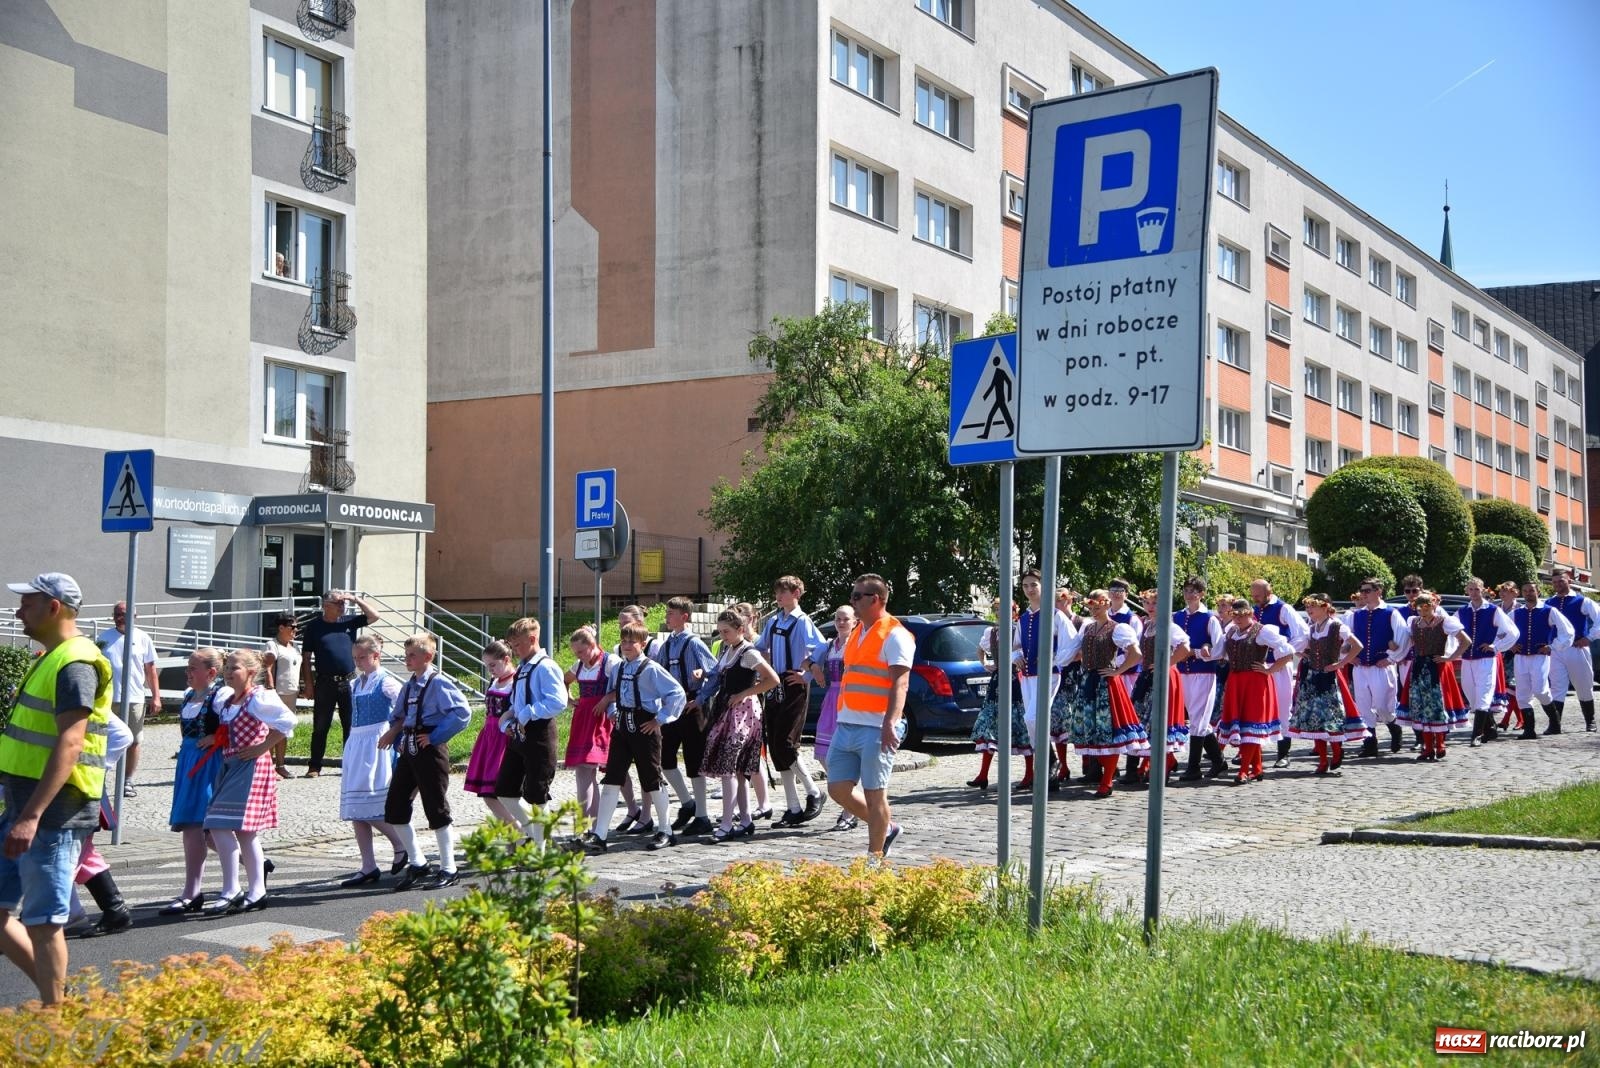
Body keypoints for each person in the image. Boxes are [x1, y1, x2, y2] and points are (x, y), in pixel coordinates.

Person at [0, 573, 114, 1004]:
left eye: (26, 604)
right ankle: (60, 1001)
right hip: (21, 808)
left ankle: (55, 1022)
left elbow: (70, 742)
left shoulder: (75, 663)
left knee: (44, 922)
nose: (17, 611)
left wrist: (30, 816)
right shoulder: (54, 657)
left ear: (53, 608)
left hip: (51, 814)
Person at [573, 622, 687, 853]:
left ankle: (665, 830)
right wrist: (613, 712)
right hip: (622, 727)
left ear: (642, 644)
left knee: (652, 779)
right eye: (623, 641)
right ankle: (600, 834)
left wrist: (660, 719)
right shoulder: (619, 668)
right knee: (612, 778)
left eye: (631, 642)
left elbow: (676, 693)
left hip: (645, 727)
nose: (626, 646)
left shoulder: (651, 668)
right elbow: (612, 694)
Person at [201, 650, 297, 914]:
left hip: (251, 767)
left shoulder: (258, 698)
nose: (228, 672)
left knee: (233, 828)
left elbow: (288, 721)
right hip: (230, 766)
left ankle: (245, 889)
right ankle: (247, 889)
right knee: (227, 828)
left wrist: (262, 747)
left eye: (235, 668)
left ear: (251, 672)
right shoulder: (227, 699)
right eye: (227, 667)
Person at [826, 574, 914, 855]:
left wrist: (891, 722)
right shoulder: (856, 633)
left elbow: (901, 683)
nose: (852, 601)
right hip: (847, 723)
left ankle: (875, 860)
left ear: (874, 599)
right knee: (837, 789)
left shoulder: (895, 634)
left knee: (875, 795)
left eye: (856, 596)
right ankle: (886, 828)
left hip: (875, 727)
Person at [379, 634, 473, 890]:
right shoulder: (409, 685)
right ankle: (419, 862)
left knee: (436, 807)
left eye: (412, 655)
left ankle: (449, 867)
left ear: (428, 657)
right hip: (409, 749)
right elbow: (398, 714)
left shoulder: (439, 683)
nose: (406, 659)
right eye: (406, 654)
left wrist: (435, 735)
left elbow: (463, 713)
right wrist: (397, 734)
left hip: (429, 748)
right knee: (395, 806)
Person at [702, 610, 781, 842]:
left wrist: (745, 693)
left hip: (743, 713)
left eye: (726, 631)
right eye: (720, 632)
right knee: (736, 769)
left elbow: (772, 679)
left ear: (740, 630)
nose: (722, 636)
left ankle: (727, 823)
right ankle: (744, 819)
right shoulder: (729, 649)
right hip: (728, 710)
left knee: (730, 766)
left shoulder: (748, 652)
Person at [161, 648, 229, 915]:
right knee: (192, 826)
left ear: (211, 672)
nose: (187, 673)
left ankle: (246, 872)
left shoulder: (221, 695)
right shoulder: (190, 695)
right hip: (188, 761)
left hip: (209, 764)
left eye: (192, 668)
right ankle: (192, 891)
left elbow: (239, 722)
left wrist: (217, 738)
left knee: (209, 828)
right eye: (188, 668)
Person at [757, 577, 827, 828]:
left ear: (796, 593)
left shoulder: (803, 621)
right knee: (776, 747)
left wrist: (806, 674)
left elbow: (821, 647)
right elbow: (759, 647)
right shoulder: (774, 621)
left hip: (793, 685)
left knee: (787, 744)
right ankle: (792, 807)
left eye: (783, 592)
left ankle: (814, 791)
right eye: (777, 592)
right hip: (774, 686)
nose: (778, 596)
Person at [338, 636, 407, 887]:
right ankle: (368, 864)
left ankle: (400, 843)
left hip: (376, 741)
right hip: (357, 742)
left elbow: (405, 707)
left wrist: (393, 730)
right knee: (355, 806)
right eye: (355, 658)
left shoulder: (386, 681)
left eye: (363, 658)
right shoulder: (356, 684)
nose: (358, 663)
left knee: (368, 802)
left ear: (376, 656)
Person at [1066, 590, 1147, 798]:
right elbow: (1073, 652)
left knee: (1108, 731)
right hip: (1088, 682)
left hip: (1106, 684)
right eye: (1091, 606)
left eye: (1098, 605)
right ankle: (1104, 776)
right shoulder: (1087, 627)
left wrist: (1117, 670)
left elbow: (1136, 654)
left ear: (1107, 604)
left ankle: (1107, 780)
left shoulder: (1117, 628)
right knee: (1093, 731)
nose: (1094, 609)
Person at [651, 597, 717, 836]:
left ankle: (702, 815)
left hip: (692, 707)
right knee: (665, 758)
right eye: (667, 613)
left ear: (684, 617)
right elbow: (658, 674)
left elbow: (715, 673)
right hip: (672, 707)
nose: (667, 617)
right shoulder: (667, 644)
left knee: (695, 760)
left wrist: (700, 698)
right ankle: (687, 803)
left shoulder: (695, 643)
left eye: (671, 613)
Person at [65, 710, 134, 938]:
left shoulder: (79, 688)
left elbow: (123, 735)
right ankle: (114, 911)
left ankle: (58, 914)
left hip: (80, 790)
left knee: (64, 856)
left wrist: (96, 769)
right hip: (70, 789)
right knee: (83, 855)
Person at [500, 619, 568, 847]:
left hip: (540, 734)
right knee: (504, 789)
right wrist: (508, 717)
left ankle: (540, 850)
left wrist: (528, 713)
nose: (514, 650)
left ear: (532, 639)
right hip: (519, 734)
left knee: (538, 793)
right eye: (511, 645)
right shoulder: (522, 667)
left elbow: (559, 701)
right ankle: (536, 834)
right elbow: (515, 700)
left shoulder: (546, 666)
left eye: (517, 645)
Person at [300, 590, 382, 778]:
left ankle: (349, 764)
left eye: (343, 603)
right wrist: (309, 684)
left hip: (349, 681)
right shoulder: (314, 627)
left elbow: (374, 616)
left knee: (351, 725)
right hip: (325, 682)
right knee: (320, 725)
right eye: (338, 603)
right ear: (326, 606)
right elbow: (306, 658)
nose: (342, 606)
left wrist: (355, 599)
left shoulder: (349, 622)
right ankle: (315, 766)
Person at [1215, 599, 1295, 785]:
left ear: (1250, 613)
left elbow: (1288, 651)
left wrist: (1270, 669)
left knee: (1252, 725)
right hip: (1235, 681)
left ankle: (1244, 770)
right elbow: (1219, 653)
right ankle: (1257, 768)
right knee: (1243, 725)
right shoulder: (1232, 631)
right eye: (1235, 615)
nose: (1239, 619)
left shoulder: (1262, 630)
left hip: (1255, 683)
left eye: (1243, 615)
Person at [1010, 570, 1074, 791]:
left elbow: (1072, 643)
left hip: (1048, 675)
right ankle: (1049, 767)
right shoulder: (1024, 617)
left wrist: (1055, 659)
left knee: (1033, 717)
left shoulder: (1055, 615)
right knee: (1032, 723)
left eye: (1034, 585)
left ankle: (1051, 761)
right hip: (1027, 676)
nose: (1029, 589)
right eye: (1026, 585)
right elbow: (1016, 646)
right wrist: (1016, 657)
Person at [1287, 594, 1364, 776]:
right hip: (1313, 677)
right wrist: (1302, 653)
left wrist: (1340, 664)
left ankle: (1337, 751)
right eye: (1307, 608)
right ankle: (1322, 759)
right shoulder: (1312, 628)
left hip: (1329, 678)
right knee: (1314, 720)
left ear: (1324, 607)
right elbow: (1297, 645)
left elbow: (1357, 646)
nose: (1309, 611)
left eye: (1312, 607)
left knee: (1330, 719)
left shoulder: (1337, 626)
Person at [96, 601, 161, 798]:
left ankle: (127, 781)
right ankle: (100, 780)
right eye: (116, 613)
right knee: (103, 739)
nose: (120, 617)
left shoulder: (143, 638)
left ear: (135, 616)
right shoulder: (104, 637)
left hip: (134, 697)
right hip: (108, 698)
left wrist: (155, 696)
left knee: (133, 740)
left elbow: (150, 670)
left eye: (124, 613)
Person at [1341, 578, 1411, 758]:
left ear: (1378, 591)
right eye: (1362, 590)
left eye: (1367, 591)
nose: (1363, 594)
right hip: (1361, 666)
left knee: (1383, 705)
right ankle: (1370, 743)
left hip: (1381, 667)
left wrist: (1391, 658)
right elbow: (1343, 640)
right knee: (1363, 706)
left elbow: (1403, 638)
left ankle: (1394, 727)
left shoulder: (1391, 613)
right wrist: (1349, 658)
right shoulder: (1355, 615)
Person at [1128, 589, 1191, 785]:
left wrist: (1167, 663)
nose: (1150, 607)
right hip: (1148, 675)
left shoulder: (1168, 626)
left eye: (1155, 603)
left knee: (1160, 719)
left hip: (1164, 676)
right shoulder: (1148, 625)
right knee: (1144, 718)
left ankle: (1161, 766)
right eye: (1147, 603)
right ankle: (1163, 760)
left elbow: (1185, 648)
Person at [1395, 593, 1468, 761]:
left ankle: (1440, 743)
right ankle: (1427, 747)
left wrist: (1450, 657)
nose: (1422, 609)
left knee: (1437, 704)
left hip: (1437, 667)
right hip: (1419, 667)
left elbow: (1465, 641)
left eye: (1426, 606)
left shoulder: (1444, 621)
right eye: (1419, 606)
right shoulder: (1412, 622)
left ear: (1433, 605)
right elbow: (1406, 643)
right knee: (1421, 705)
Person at [1174, 577, 1228, 781]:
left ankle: (1194, 767)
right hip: (1182, 673)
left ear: (1202, 594)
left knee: (1198, 719)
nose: (1190, 594)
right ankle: (1218, 761)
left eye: (1194, 591)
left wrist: (1196, 652)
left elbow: (1220, 650)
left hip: (1203, 674)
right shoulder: (1177, 616)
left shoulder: (1209, 618)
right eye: (1187, 590)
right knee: (1200, 721)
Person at [1250, 579, 1307, 768]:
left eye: (1258, 595)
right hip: (1259, 666)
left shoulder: (1284, 609)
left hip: (1280, 666)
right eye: (1253, 596)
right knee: (1257, 710)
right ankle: (1253, 753)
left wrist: (1285, 651)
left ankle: (1284, 753)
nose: (1255, 599)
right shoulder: (1255, 610)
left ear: (1268, 592)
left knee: (1283, 708)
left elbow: (1303, 633)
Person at [1456, 578, 1519, 748]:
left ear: (1483, 590)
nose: (1474, 592)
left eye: (1476, 589)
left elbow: (1512, 632)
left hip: (1485, 659)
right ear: (1467, 591)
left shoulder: (1493, 610)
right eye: (1470, 589)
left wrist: (1496, 646)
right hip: (1467, 659)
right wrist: (1455, 651)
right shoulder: (1461, 612)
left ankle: (1476, 735)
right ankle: (1490, 726)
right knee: (1470, 694)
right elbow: (1451, 633)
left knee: (1483, 694)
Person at [564, 627, 618, 823]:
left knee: (606, 771)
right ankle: (588, 822)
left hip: (602, 720)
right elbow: (564, 681)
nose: (578, 656)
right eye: (575, 652)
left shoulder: (610, 661)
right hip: (583, 719)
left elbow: (626, 686)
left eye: (581, 651)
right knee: (584, 770)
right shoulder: (578, 665)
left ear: (592, 645)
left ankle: (633, 811)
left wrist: (606, 700)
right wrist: (570, 700)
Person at [464, 641, 520, 826]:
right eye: (487, 666)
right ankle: (516, 836)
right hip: (489, 738)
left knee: (500, 793)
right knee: (488, 794)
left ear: (506, 659)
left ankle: (521, 834)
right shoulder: (495, 681)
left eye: (493, 665)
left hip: (504, 738)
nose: (490, 670)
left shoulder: (516, 681)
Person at [1510, 581, 1574, 740]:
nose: (1528, 593)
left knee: (1540, 690)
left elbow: (1568, 631)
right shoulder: (1516, 613)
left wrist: (1553, 646)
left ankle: (1555, 721)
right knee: (1522, 693)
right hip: (1521, 657)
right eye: (1525, 590)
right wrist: (1510, 645)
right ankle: (1529, 730)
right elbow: (1501, 631)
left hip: (1540, 656)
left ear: (1538, 592)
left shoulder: (1549, 611)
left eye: (1531, 590)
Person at [1543, 567, 1599, 733]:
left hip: (1576, 648)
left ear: (1569, 581)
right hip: (1556, 650)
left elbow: (1599, 620)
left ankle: (1590, 721)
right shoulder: (1548, 603)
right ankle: (1555, 724)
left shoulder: (1582, 601)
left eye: (1561, 581)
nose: (1558, 584)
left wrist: (1589, 638)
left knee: (1583, 684)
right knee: (1557, 686)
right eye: (1554, 582)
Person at [967, 600, 1013, 791]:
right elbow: (980, 650)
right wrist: (985, 664)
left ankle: (1030, 773)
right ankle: (983, 774)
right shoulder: (992, 632)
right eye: (997, 610)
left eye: (1006, 610)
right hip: (998, 680)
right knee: (989, 727)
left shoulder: (1018, 629)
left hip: (1016, 681)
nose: (1000, 613)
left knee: (1020, 728)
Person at [811, 605, 855, 792]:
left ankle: (850, 800)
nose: (841, 623)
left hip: (850, 698)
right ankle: (844, 790)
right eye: (838, 619)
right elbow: (806, 660)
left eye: (846, 619)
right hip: (831, 699)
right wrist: (815, 668)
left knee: (847, 753)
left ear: (855, 621)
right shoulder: (829, 645)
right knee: (823, 753)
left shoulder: (857, 643)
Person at [262, 614, 301, 779]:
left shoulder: (295, 647)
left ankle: (281, 765)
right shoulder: (272, 645)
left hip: (292, 692)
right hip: (276, 693)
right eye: (292, 627)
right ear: (281, 628)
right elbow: (268, 667)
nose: (295, 630)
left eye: (296, 627)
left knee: (284, 729)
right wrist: (270, 688)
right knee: (271, 729)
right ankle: (268, 767)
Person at [1496, 581, 1525, 732]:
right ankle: (1520, 719)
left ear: (1515, 592)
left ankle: (1507, 719)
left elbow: (1523, 630)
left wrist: (1513, 643)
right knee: (1507, 687)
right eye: (1501, 590)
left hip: (1515, 652)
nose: (1503, 593)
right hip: (1499, 651)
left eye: (1506, 590)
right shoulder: (1496, 608)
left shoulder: (1520, 609)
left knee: (1513, 686)